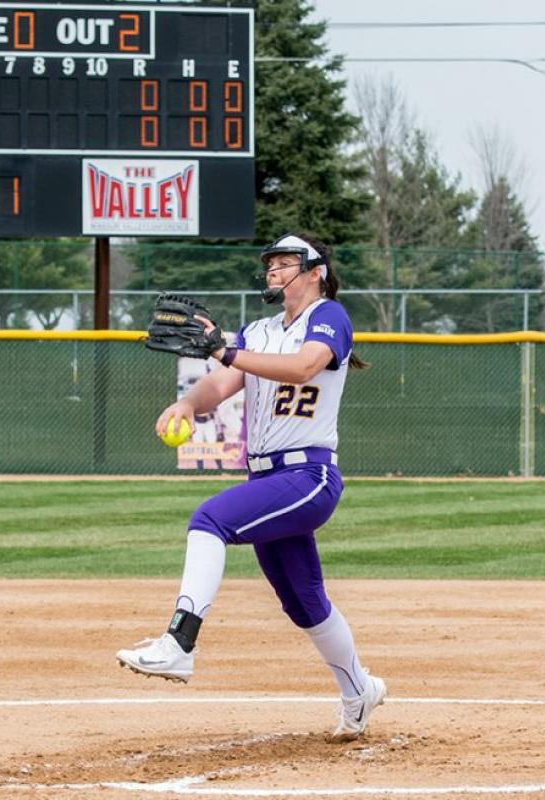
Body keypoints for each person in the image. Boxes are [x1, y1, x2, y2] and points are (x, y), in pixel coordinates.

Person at [117, 233, 387, 741]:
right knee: (303, 600)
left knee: (210, 520)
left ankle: (180, 642)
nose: (274, 271)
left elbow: (306, 365)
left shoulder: (328, 316)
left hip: (308, 475)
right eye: (271, 264)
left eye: (286, 264)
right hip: (266, 475)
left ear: (316, 272)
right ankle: (360, 691)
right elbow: (220, 383)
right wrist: (188, 404)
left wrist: (226, 349)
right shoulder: (259, 331)